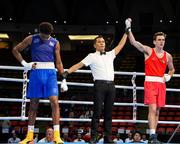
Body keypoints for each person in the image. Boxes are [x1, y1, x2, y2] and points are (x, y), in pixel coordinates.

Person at [62, 33, 127, 143]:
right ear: (95, 45)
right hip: (99, 85)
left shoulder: (110, 54)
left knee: (108, 114)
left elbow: (121, 45)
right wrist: (67, 72)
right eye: (99, 42)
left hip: (111, 85)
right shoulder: (91, 56)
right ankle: (93, 138)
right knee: (96, 113)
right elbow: (79, 64)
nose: (102, 43)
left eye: (103, 42)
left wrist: (126, 32)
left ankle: (107, 138)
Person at [12, 22, 67, 144]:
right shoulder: (31, 39)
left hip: (50, 74)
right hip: (36, 73)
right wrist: (25, 64)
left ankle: (57, 136)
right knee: (33, 105)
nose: (45, 38)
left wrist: (63, 78)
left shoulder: (55, 42)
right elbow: (15, 50)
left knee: (55, 102)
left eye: (47, 36)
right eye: (43, 35)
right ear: (39, 32)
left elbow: (59, 62)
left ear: (51, 33)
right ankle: (29, 136)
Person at [125, 18, 175, 143]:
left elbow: (172, 69)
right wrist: (128, 28)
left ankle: (153, 136)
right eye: (159, 40)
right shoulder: (148, 50)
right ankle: (152, 135)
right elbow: (133, 42)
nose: (161, 42)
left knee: (157, 111)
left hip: (161, 84)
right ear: (154, 41)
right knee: (152, 109)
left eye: (163, 40)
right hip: (150, 83)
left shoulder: (168, 56)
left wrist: (169, 76)